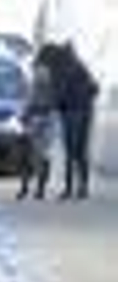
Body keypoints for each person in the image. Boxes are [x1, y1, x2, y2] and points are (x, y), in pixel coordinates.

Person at [50, 38, 99, 198]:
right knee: (80, 152)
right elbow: (95, 88)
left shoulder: (64, 69)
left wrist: (57, 105)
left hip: (72, 112)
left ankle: (71, 188)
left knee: (71, 152)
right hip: (85, 112)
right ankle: (82, 187)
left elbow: (60, 93)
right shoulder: (80, 67)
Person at [20, 49, 58, 199]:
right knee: (41, 154)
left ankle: (29, 188)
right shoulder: (50, 76)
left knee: (32, 154)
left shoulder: (39, 75)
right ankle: (38, 189)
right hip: (45, 116)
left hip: (39, 116)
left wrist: (25, 114)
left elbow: (32, 98)